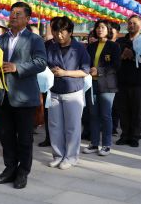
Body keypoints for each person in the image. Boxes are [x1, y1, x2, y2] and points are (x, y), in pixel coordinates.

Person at [0, 2, 47, 189]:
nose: (13, 16)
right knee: (6, 136)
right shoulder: (0, 40)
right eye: (11, 13)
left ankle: (23, 172)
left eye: (18, 13)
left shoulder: (34, 39)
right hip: (3, 95)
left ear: (27, 18)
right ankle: (9, 169)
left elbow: (41, 62)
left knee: (24, 137)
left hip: (24, 96)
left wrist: (17, 67)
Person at [46, 16, 90, 170]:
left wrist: (65, 72)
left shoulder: (79, 49)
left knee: (72, 126)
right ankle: (58, 155)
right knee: (55, 125)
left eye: (62, 32)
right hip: (54, 91)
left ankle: (71, 157)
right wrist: (50, 71)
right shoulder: (51, 47)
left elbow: (85, 71)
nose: (59, 35)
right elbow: (45, 66)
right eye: (56, 31)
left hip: (73, 91)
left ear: (70, 32)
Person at [83, 20, 121, 156]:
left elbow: (116, 66)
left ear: (109, 30)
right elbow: (85, 62)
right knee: (93, 115)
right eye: (98, 27)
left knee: (106, 115)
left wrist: (99, 71)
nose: (100, 30)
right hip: (92, 84)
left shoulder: (114, 46)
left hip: (108, 85)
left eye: (103, 27)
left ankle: (106, 144)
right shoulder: (91, 46)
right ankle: (94, 143)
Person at [115, 15, 141, 147]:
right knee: (123, 110)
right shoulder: (120, 42)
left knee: (137, 110)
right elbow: (115, 60)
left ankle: (135, 136)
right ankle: (124, 135)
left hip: (139, 82)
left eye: (134, 23)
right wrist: (121, 56)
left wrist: (134, 56)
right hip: (122, 81)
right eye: (129, 23)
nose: (131, 26)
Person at [38, 17, 60, 148]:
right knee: (48, 111)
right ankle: (49, 137)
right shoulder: (46, 44)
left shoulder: (70, 44)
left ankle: (60, 138)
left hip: (64, 81)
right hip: (48, 81)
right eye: (53, 27)